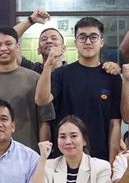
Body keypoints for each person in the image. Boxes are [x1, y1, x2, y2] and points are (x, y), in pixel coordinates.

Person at [36, 17, 122, 163]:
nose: (88, 42)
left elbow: (115, 124)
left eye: (93, 37)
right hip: (64, 157)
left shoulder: (112, 77)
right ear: (75, 42)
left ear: (101, 42)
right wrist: (48, 64)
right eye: (82, 37)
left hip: (99, 158)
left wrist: (112, 163)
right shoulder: (61, 74)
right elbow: (41, 99)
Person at [0, 27, 54, 153]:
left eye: (8, 44)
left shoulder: (35, 78)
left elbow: (44, 121)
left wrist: (43, 155)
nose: (3, 48)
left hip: (29, 155)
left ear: (17, 47)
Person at [13, 8, 65, 72]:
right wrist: (32, 19)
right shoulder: (32, 69)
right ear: (38, 50)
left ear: (63, 48)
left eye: (54, 38)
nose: (49, 41)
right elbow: (9, 37)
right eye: (44, 39)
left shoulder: (72, 71)